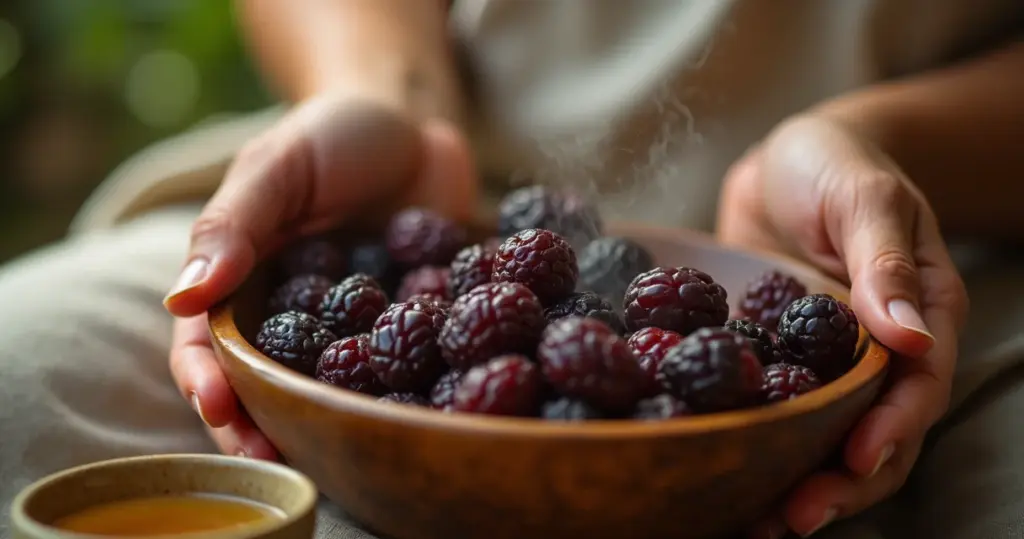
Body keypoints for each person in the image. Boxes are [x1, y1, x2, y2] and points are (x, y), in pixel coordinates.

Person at [1, 1, 1023, 537]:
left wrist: (879, 146)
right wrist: (389, 97)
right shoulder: (430, 278)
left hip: (887, 239)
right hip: (408, 192)